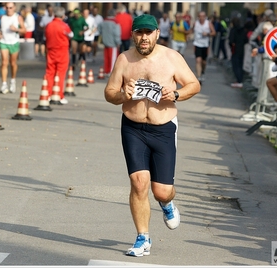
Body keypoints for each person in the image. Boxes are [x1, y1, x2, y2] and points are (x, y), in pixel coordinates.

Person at [103, 14, 200, 257]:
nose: (144, 37)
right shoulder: (124, 60)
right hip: (133, 128)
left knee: (161, 191)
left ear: (157, 33)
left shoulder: (171, 58)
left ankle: (167, 204)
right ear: (133, 34)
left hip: (164, 129)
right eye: (139, 33)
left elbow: (194, 85)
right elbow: (109, 93)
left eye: (148, 33)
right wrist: (123, 95)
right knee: (138, 184)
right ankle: (142, 238)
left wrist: (176, 94)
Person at [45, 6, 73, 105]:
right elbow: (71, 35)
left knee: (50, 72)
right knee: (60, 74)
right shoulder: (64, 25)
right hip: (62, 51)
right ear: (63, 15)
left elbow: (46, 37)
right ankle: (59, 95)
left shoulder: (49, 25)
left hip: (51, 50)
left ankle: (47, 94)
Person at [0, 2, 26, 94]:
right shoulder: (2, 17)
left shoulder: (18, 17)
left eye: (11, 8)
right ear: (5, 8)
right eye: (7, 8)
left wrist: (16, 29)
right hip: (4, 42)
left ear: (14, 8)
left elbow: (24, 30)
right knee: (4, 62)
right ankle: (4, 84)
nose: (9, 9)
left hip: (14, 42)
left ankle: (13, 81)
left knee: (13, 63)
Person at [191, 11, 216, 83]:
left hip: (205, 45)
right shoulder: (196, 23)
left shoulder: (208, 23)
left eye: (203, 16)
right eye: (200, 16)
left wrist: (208, 34)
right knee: (198, 60)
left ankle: (203, 72)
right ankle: (198, 77)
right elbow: (192, 30)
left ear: (205, 17)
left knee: (204, 62)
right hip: (197, 44)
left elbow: (214, 32)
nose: (201, 18)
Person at [98, 9, 120, 76]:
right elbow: (117, 33)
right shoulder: (115, 22)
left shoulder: (103, 21)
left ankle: (106, 71)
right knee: (112, 58)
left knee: (106, 58)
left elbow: (99, 30)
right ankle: (111, 72)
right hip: (113, 43)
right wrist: (118, 42)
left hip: (105, 42)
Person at [228, 16, 249, 88]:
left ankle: (238, 80)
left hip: (235, 50)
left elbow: (231, 40)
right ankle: (240, 80)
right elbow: (246, 40)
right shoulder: (243, 30)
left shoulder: (233, 30)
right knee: (240, 65)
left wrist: (232, 44)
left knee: (235, 66)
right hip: (241, 50)